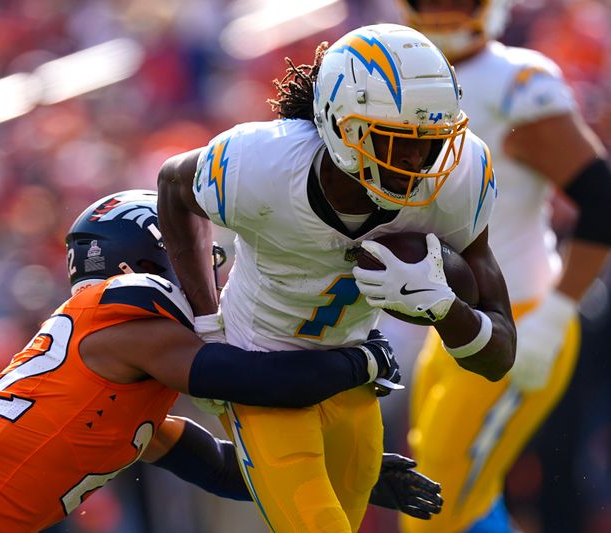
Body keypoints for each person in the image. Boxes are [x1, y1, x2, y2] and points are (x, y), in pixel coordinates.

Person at [0, 189, 443, 533]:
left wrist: (353, 476)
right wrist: (360, 362)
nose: (206, 273)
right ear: (148, 255)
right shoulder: (121, 320)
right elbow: (247, 379)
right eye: (189, 253)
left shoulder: (117, 381)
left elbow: (226, 469)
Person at [158, 23, 516, 533]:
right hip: (261, 370)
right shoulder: (260, 163)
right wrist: (207, 322)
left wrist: (445, 308)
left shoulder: (460, 179)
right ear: (341, 126)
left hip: (351, 376)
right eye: (396, 143)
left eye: (431, 143)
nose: (418, 163)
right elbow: (174, 186)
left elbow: (499, 356)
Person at [392, 1, 611, 531]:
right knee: (456, 497)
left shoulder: (516, 82)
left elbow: (605, 199)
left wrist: (558, 313)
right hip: (447, 320)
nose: (443, 11)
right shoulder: (394, 75)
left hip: (518, 318)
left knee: (434, 506)